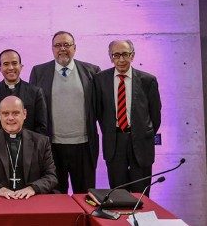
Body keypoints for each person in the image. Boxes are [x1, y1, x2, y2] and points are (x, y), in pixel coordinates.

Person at [28, 31, 100, 194]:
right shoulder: (39, 72)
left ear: (75, 48)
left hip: (84, 145)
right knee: (55, 196)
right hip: (52, 146)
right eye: (58, 45)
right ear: (52, 49)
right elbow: (33, 110)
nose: (62, 49)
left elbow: (100, 108)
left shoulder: (92, 71)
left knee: (85, 195)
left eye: (67, 45)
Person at [94, 40, 161, 194]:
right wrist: (111, 132)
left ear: (133, 55)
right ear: (111, 57)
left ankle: (140, 219)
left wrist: (144, 134)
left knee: (141, 195)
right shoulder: (100, 80)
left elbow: (155, 115)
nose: (121, 59)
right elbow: (99, 112)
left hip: (140, 143)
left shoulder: (148, 81)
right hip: (114, 143)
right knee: (118, 193)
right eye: (116, 55)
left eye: (125, 54)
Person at [0, 96, 57, 199]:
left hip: (31, 200)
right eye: (5, 113)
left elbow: (51, 177)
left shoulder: (41, 142)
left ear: (24, 114)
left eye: (16, 113)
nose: (10, 118)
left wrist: (33, 188)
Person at [0, 49, 47, 134]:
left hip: (29, 144)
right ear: (0, 68)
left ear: (21, 66)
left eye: (14, 63)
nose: (10, 68)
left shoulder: (35, 92)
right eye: (6, 64)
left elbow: (41, 126)